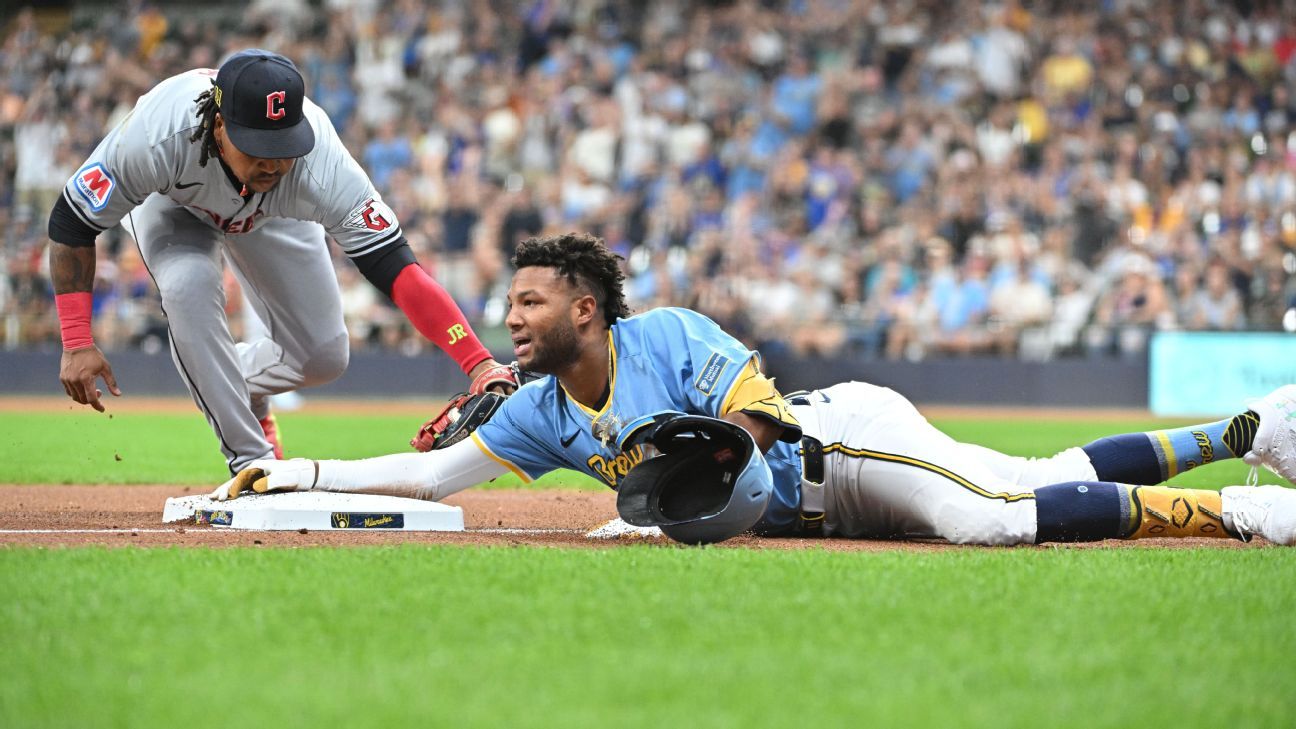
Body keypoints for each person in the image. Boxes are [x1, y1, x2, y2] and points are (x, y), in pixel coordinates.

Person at [211, 233, 1296, 547]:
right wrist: (291, 469)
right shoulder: (540, 409)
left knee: (991, 521)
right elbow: (432, 475)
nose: (512, 320)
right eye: (512, 305)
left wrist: (695, 464)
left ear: (586, 309)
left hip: (845, 446)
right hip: (812, 517)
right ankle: (1253, 428)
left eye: (531, 303)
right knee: (1038, 474)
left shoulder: (670, 334)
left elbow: (760, 412)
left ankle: (1238, 509)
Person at [49, 50, 513, 474]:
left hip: (270, 214)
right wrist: (76, 340)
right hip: (173, 205)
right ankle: (254, 464)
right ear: (219, 126)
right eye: (258, 146)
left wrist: (479, 363)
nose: (273, 161)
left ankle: (232, 381)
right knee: (188, 285)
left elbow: (395, 265)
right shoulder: (156, 136)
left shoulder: (318, 164)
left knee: (324, 356)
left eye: (284, 145)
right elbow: (71, 222)